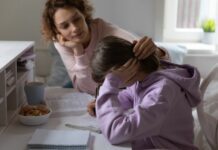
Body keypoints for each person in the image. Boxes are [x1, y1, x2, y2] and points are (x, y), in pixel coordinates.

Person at [90, 36, 201, 150]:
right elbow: (128, 97)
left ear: (126, 69)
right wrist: (101, 103)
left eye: (109, 79)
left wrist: (110, 87)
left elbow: (116, 132)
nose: (111, 83)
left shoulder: (161, 92)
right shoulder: (144, 79)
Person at [41, 0, 169, 95]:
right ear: (57, 32)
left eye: (77, 19)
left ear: (84, 14)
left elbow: (161, 66)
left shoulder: (109, 32)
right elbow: (85, 89)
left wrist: (157, 51)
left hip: (115, 88)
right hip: (95, 85)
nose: (74, 28)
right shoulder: (62, 42)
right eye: (65, 26)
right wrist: (78, 50)